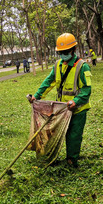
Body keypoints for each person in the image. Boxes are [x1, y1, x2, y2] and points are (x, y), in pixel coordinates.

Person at [29, 33, 92, 168]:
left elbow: (86, 90)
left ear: (73, 50)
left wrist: (76, 101)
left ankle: (71, 161)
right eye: (61, 52)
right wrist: (37, 95)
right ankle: (49, 158)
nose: (63, 54)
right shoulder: (57, 65)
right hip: (62, 109)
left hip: (77, 110)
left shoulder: (82, 66)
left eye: (66, 52)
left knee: (73, 137)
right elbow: (49, 81)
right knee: (52, 132)